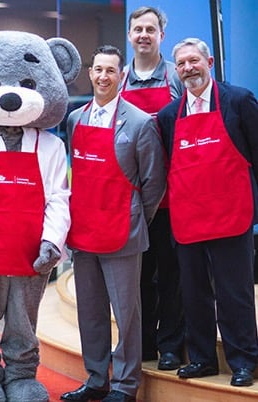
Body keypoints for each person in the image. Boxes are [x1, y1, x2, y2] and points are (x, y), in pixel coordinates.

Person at [61, 45, 166, 402]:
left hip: (123, 231)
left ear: (122, 76)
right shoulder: (75, 119)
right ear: (90, 73)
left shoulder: (140, 122)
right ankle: (96, 379)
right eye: (98, 69)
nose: (103, 76)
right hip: (84, 231)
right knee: (90, 313)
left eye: (111, 71)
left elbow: (154, 182)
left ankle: (124, 385)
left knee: (127, 316)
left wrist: (136, 217)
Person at [156, 37, 258, 387]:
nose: (188, 68)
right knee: (193, 294)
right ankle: (201, 359)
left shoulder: (239, 101)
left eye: (194, 60)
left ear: (209, 62)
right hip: (188, 218)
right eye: (182, 63)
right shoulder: (169, 116)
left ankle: (244, 361)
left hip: (233, 215)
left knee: (235, 293)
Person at [121, 5, 185, 370]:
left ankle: (172, 345)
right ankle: (143, 344)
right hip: (133, 199)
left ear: (161, 35)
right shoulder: (122, 79)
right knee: (138, 277)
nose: (144, 35)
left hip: (172, 199)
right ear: (130, 36)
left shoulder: (175, 78)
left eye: (151, 29)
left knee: (172, 275)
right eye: (138, 29)